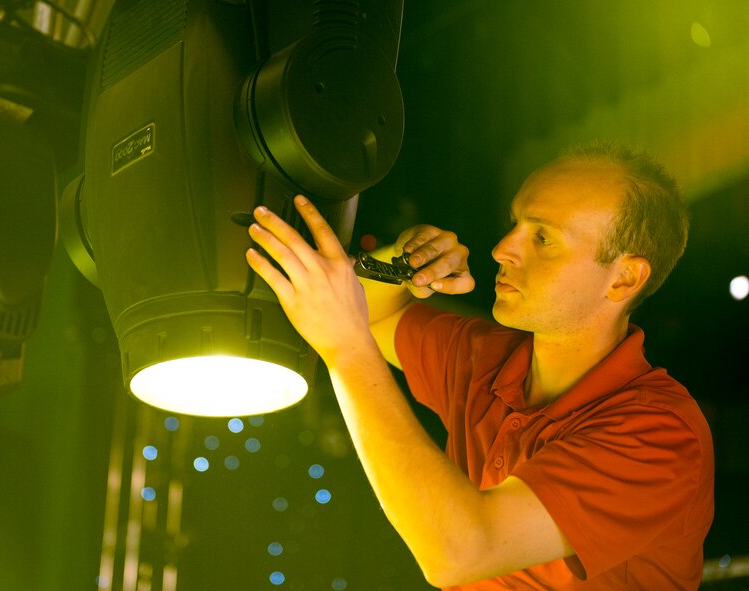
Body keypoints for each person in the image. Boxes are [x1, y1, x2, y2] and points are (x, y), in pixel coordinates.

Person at [244, 142, 714, 590]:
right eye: (515, 224)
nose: (501, 249)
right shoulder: (489, 358)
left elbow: (459, 550)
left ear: (625, 278)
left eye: (543, 237)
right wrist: (404, 264)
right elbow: (372, 312)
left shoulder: (660, 434)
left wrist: (345, 349)